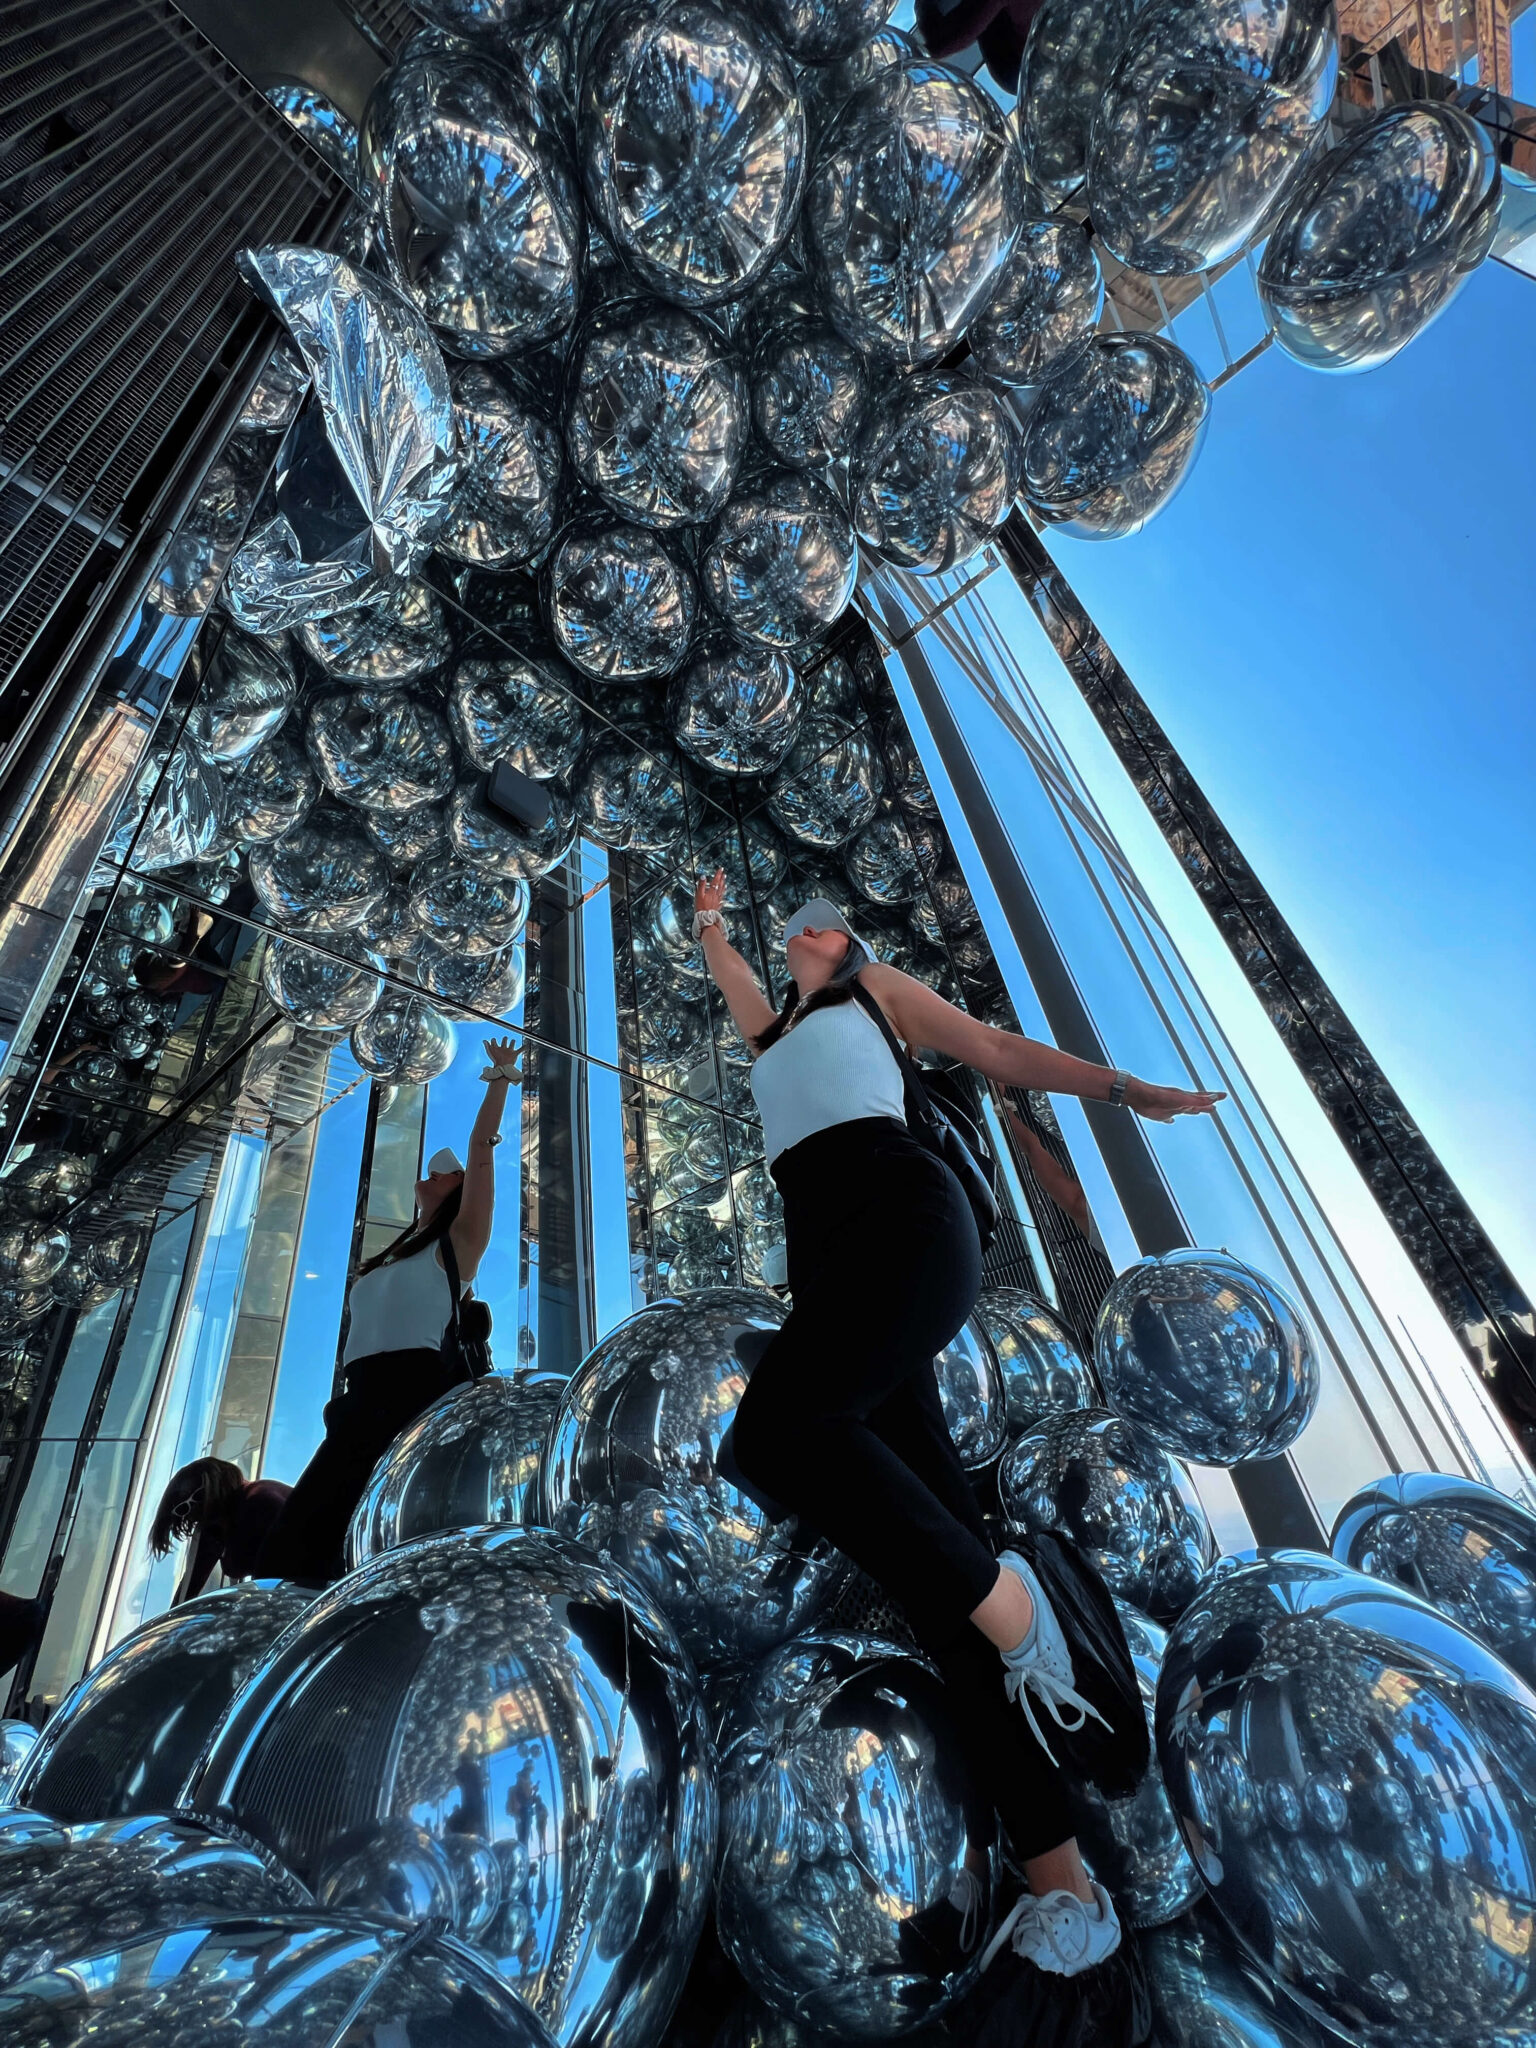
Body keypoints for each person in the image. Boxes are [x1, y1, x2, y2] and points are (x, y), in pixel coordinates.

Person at [693, 876, 1222, 2039]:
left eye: (824, 918)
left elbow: (993, 1048)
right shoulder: (772, 1029)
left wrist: (1127, 1089)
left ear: (850, 941)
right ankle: (1064, 1885)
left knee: (783, 1431)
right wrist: (710, 924)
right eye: (796, 925)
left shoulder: (874, 995)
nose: (808, 929)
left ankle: (1009, 1595)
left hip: (906, 1216)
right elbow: (730, 975)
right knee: (939, 1593)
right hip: (834, 1264)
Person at [254, 1036, 524, 1587]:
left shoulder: (461, 1242)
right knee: (298, 1544)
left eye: (447, 1171)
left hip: (406, 1394)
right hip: (360, 1400)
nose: (436, 1168)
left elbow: (479, 1147)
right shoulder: (404, 1248)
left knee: (341, 1539)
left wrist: (501, 1078)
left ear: (461, 1190)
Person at [149, 1458, 293, 1603]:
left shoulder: (259, 1502)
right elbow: (190, 1587)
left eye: (198, 1499)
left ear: (216, 1487)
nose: (195, 1516)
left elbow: (257, 1574)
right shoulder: (228, 1516)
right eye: (184, 1510)